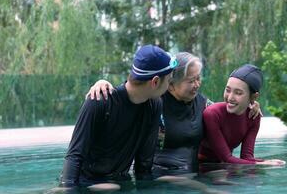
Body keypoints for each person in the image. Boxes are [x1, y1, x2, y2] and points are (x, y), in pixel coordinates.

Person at [87, 53, 261, 177]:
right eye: (190, 81)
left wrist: (250, 106)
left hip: (192, 174)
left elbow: (227, 112)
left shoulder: (203, 104)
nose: (197, 84)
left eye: (198, 78)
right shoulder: (153, 102)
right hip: (159, 176)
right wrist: (102, 84)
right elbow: (130, 93)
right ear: (170, 84)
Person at [59, 44, 177, 189]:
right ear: (155, 82)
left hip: (120, 184)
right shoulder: (100, 101)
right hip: (86, 184)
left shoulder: (154, 105)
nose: (169, 86)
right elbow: (74, 157)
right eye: (169, 80)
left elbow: (143, 167)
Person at [198, 64, 285, 166]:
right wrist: (261, 164)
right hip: (199, 167)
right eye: (228, 90)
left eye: (238, 93)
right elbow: (226, 158)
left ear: (253, 96)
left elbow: (247, 157)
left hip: (225, 166)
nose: (230, 97)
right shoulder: (213, 114)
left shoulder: (253, 116)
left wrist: (267, 162)